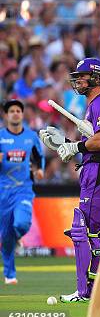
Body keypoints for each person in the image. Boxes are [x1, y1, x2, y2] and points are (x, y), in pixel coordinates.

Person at [39, 58, 100, 303]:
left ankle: (86, 291)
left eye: (81, 76)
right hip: (97, 170)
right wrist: (74, 145)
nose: (78, 81)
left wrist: (75, 146)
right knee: (92, 233)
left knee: (83, 231)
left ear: (94, 78)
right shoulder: (96, 104)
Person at [0, 99, 44, 285]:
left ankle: (18, 237)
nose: (15, 113)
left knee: (22, 223)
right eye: (12, 111)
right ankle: (10, 275)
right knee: (5, 235)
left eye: (18, 110)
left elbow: (39, 156)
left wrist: (40, 170)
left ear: (22, 114)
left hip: (23, 190)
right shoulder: (0, 137)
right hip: (3, 192)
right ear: (6, 115)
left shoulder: (31, 136)